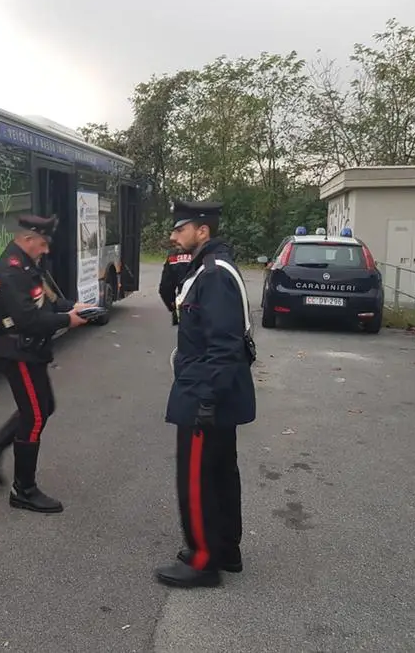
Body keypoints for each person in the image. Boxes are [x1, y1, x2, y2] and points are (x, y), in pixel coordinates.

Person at [155, 200, 256, 588]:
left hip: (205, 392)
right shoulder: (205, 268)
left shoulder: (213, 275)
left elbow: (224, 344)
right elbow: (175, 303)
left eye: (180, 230)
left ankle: (202, 561)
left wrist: (206, 400)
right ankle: (225, 549)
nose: (173, 236)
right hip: (213, 388)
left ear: (202, 231)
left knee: (196, 478)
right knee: (220, 472)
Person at [0, 214, 89, 513]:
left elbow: (45, 300)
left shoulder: (26, 263)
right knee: (35, 415)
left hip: (30, 351)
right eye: (43, 243)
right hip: (18, 352)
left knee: (42, 407)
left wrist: (73, 306)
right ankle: (23, 489)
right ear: (26, 239)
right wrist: (68, 321)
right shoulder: (10, 270)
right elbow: (28, 319)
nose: (46, 250)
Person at [158, 243, 192, 325]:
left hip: (183, 303)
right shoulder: (207, 253)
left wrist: (172, 305)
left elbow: (165, 288)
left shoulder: (174, 256)